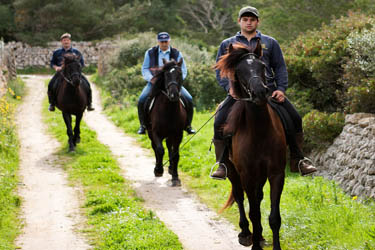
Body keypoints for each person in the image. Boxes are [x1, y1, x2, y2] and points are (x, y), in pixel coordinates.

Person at [210, 6, 317, 179]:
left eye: (252, 19)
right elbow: (220, 71)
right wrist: (229, 88)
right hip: (240, 93)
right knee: (219, 121)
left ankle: (299, 159)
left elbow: (280, 67)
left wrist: (281, 89)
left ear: (257, 22)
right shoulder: (227, 44)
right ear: (239, 21)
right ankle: (222, 163)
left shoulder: (270, 42)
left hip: (268, 91)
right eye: (245, 19)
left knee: (295, 118)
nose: (249, 22)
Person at [137, 32, 196, 135]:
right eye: (162, 41)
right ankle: (143, 125)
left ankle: (188, 125)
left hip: (173, 83)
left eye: (166, 41)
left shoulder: (177, 53)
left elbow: (183, 70)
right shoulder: (150, 53)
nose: (164, 43)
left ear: (169, 41)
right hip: (155, 83)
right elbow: (145, 68)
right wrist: (151, 79)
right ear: (158, 42)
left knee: (189, 99)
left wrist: (178, 81)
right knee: (142, 99)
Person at [47, 33, 94, 112]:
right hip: (61, 74)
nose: (66, 42)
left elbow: (82, 64)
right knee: (51, 85)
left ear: (70, 41)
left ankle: (89, 104)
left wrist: (77, 69)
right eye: (64, 40)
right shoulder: (57, 52)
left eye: (67, 40)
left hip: (74, 73)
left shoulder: (76, 52)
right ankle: (52, 104)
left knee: (87, 84)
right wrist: (56, 67)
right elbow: (52, 63)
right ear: (61, 42)